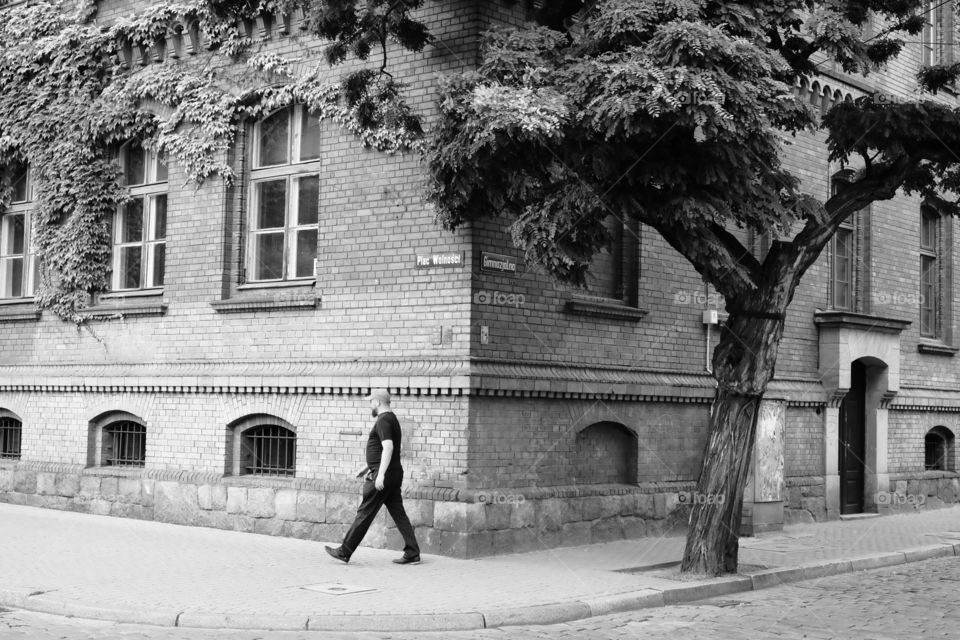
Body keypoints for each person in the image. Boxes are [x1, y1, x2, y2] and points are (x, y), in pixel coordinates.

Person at [325, 388, 421, 564]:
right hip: (392, 472)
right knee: (399, 513)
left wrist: (380, 474)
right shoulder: (391, 419)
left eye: (371, 401)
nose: (370, 405)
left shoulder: (383, 420)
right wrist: (367, 467)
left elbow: (389, 447)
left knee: (365, 512)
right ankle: (413, 551)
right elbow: (382, 449)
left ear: (377, 402)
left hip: (383, 475)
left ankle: (345, 551)